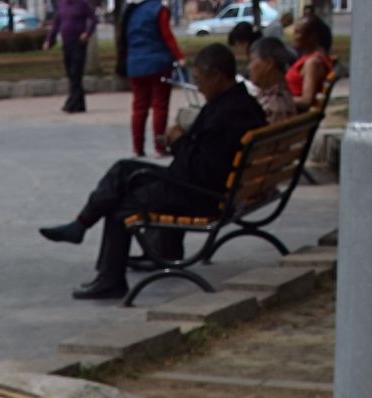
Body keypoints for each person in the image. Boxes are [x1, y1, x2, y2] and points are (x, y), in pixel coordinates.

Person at [40, 44, 264, 300]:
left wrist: (179, 141)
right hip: (212, 187)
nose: (197, 86)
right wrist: (184, 139)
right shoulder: (241, 103)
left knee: (123, 205)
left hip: (202, 195)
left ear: (216, 74)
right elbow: (209, 156)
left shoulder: (227, 112)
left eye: (199, 79)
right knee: (125, 169)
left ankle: (110, 278)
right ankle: (82, 225)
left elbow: (202, 168)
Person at [119, 0, 182, 158]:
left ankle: (137, 147)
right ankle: (159, 147)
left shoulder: (130, 11)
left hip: (135, 65)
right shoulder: (159, 10)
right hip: (158, 63)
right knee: (160, 106)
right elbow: (166, 35)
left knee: (139, 108)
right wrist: (179, 57)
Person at [44, 0, 98, 115]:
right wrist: (49, 40)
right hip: (66, 43)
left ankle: (71, 103)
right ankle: (80, 104)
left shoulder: (82, 4)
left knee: (75, 72)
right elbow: (56, 23)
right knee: (71, 73)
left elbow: (94, 20)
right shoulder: (61, 4)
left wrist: (87, 33)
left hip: (79, 43)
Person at [246, 35, 300, 122]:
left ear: (269, 63)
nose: (249, 68)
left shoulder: (272, 108)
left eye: (252, 61)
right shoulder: (279, 95)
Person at [287, 14, 334, 106]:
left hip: (290, 116)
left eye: (297, 32)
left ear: (312, 37)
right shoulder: (310, 58)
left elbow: (306, 100)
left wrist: (281, 101)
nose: (294, 36)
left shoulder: (312, 63)